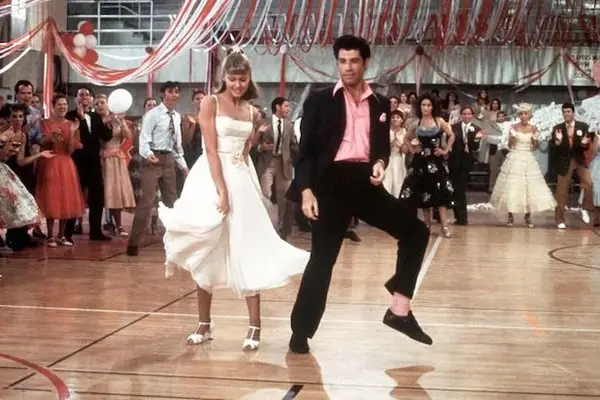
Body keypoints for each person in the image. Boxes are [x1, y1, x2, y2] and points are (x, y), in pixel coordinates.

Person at [287, 35, 432, 354]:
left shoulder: (380, 103)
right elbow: (305, 153)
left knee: (416, 232)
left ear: (365, 62)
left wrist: (380, 163)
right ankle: (300, 332)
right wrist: (307, 191)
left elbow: (380, 147)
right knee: (322, 260)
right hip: (330, 185)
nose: (348, 67)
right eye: (342, 61)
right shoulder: (320, 100)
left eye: (354, 61)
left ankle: (399, 310)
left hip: (365, 183)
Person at [158, 48, 309, 351]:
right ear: (223, 78)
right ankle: (204, 323)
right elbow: (211, 150)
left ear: (249, 79)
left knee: (247, 246)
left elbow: (245, 149)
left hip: (240, 178)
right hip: (211, 177)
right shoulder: (211, 103)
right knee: (206, 245)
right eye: (233, 79)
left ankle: (255, 325)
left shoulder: (251, 110)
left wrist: (244, 173)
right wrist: (222, 189)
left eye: (243, 79)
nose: (238, 84)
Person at [490, 103, 556, 227]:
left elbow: (535, 147)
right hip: (515, 157)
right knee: (512, 186)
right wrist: (512, 137)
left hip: (528, 158)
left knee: (529, 187)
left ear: (529, 115)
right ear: (518, 115)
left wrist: (535, 139)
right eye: (521, 114)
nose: (523, 116)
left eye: (525, 113)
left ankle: (528, 217)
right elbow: (510, 145)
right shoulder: (513, 127)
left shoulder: (534, 128)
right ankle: (510, 216)